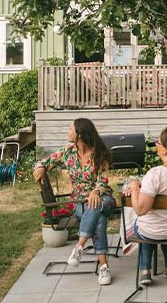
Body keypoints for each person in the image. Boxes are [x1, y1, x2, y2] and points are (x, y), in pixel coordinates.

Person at [33, 118, 115, 286]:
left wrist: (95, 192)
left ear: (80, 134)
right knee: (99, 219)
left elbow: (103, 180)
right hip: (80, 203)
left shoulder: (100, 153)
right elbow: (43, 161)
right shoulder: (67, 152)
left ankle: (80, 245)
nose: (67, 132)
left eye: (70, 130)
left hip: (104, 199)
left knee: (96, 204)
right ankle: (103, 267)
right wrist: (40, 167)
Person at [123, 126, 167, 286]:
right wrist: (143, 185)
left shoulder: (155, 174)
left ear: (166, 149)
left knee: (144, 225)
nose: (156, 145)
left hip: (153, 231)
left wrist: (135, 186)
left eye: (158, 142)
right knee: (164, 226)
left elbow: (141, 210)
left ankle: (145, 271)